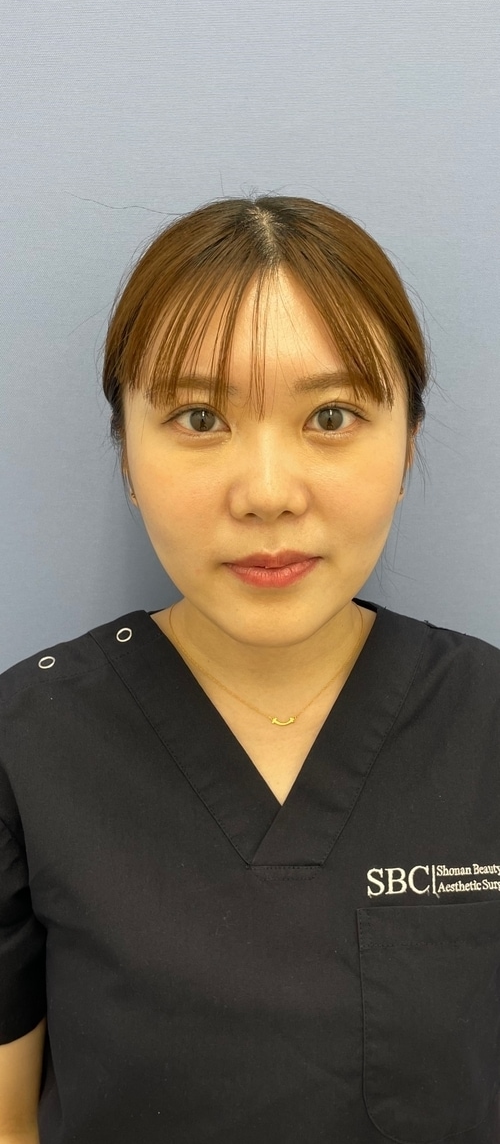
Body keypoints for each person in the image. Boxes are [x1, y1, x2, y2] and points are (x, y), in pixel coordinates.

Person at [2, 194, 500, 1143]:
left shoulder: (484, 726)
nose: (268, 494)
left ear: (408, 445)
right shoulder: (25, 744)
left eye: (332, 415)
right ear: (126, 454)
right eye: (198, 416)